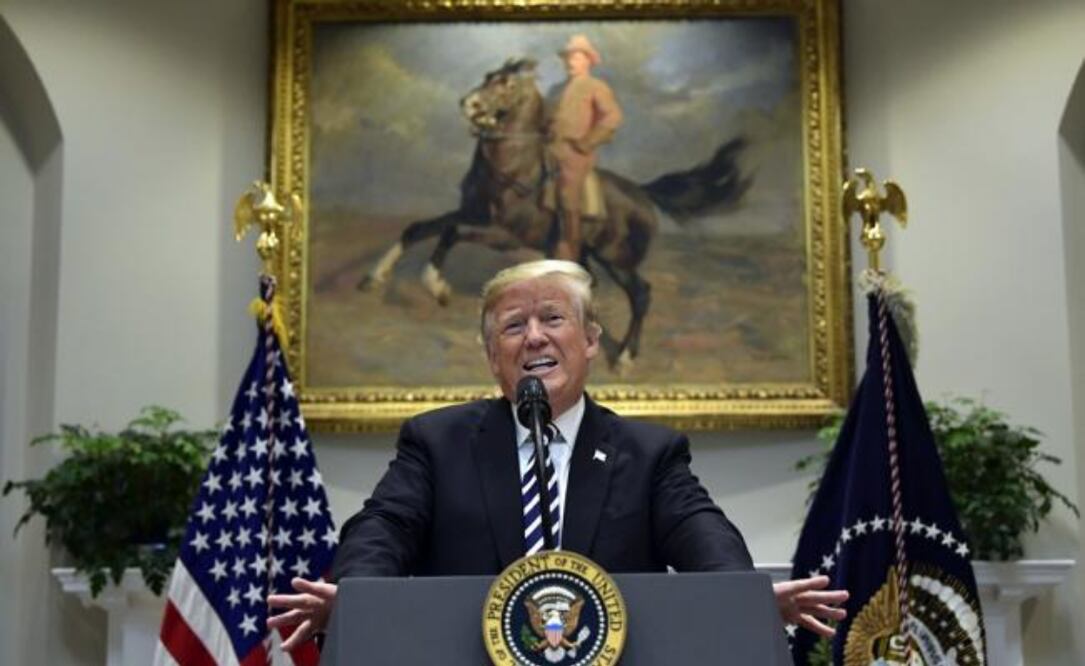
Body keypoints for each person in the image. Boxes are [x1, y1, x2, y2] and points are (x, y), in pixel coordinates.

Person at [269, 260, 846, 650]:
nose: (535, 338)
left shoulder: (649, 453)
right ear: (493, 356)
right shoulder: (436, 442)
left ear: (590, 340)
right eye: (513, 326)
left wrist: (737, 595)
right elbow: (384, 527)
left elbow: (703, 536)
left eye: (553, 318)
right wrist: (358, 597)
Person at [545, 34, 623, 262]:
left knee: (568, 196)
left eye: (577, 58)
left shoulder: (596, 86)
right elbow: (545, 120)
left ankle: (570, 252)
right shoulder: (555, 89)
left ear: (588, 60)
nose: (571, 62)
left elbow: (612, 117)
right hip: (549, 148)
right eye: (568, 58)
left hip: (575, 153)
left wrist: (586, 142)